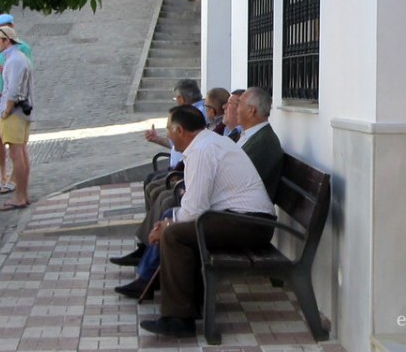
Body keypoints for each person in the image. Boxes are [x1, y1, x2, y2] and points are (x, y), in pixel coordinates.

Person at [138, 105, 276, 338]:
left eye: (168, 130)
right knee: (176, 228)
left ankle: (180, 319)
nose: (168, 135)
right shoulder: (206, 143)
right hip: (241, 218)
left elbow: (194, 209)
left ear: (179, 130)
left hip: (251, 224)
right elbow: (195, 204)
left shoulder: (202, 151)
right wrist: (171, 221)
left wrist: (169, 225)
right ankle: (188, 306)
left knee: (175, 235)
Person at [110, 79, 206, 266]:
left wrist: (169, 223)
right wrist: (157, 140)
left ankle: (150, 249)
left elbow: (197, 200)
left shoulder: (196, 118)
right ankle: (148, 246)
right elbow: (176, 146)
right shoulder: (200, 125)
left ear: (181, 98)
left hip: (182, 175)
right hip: (180, 172)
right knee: (153, 183)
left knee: (162, 195)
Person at [0, 13, 32, 195]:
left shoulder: (20, 53)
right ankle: (3, 176)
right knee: (0, 138)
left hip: (12, 105)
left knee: (17, 148)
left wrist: (7, 110)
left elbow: (18, 82)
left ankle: (18, 187)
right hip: (0, 97)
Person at [236, 87, 284, 196]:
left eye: (239, 104)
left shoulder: (264, 142)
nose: (236, 109)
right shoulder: (253, 135)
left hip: (246, 207)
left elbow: (239, 179)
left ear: (251, 110)